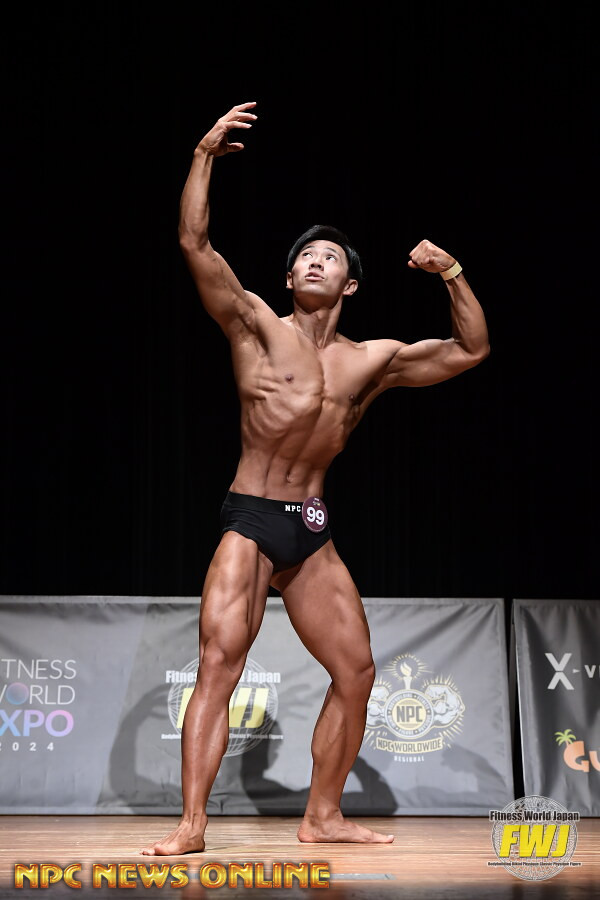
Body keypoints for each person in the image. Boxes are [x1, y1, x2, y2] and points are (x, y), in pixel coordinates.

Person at [141, 101, 490, 855]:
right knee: (219, 665)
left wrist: (451, 272)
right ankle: (192, 825)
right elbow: (195, 241)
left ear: (351, 285)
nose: (314, 260)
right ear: (288, 276)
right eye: (304, 256)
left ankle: (322, 815)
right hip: (251, 518)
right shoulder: (256, 327)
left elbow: (470, 350)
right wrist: (202, 155)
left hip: (309, 528)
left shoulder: (372, 361)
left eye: (329, 256)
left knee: (357, 672)